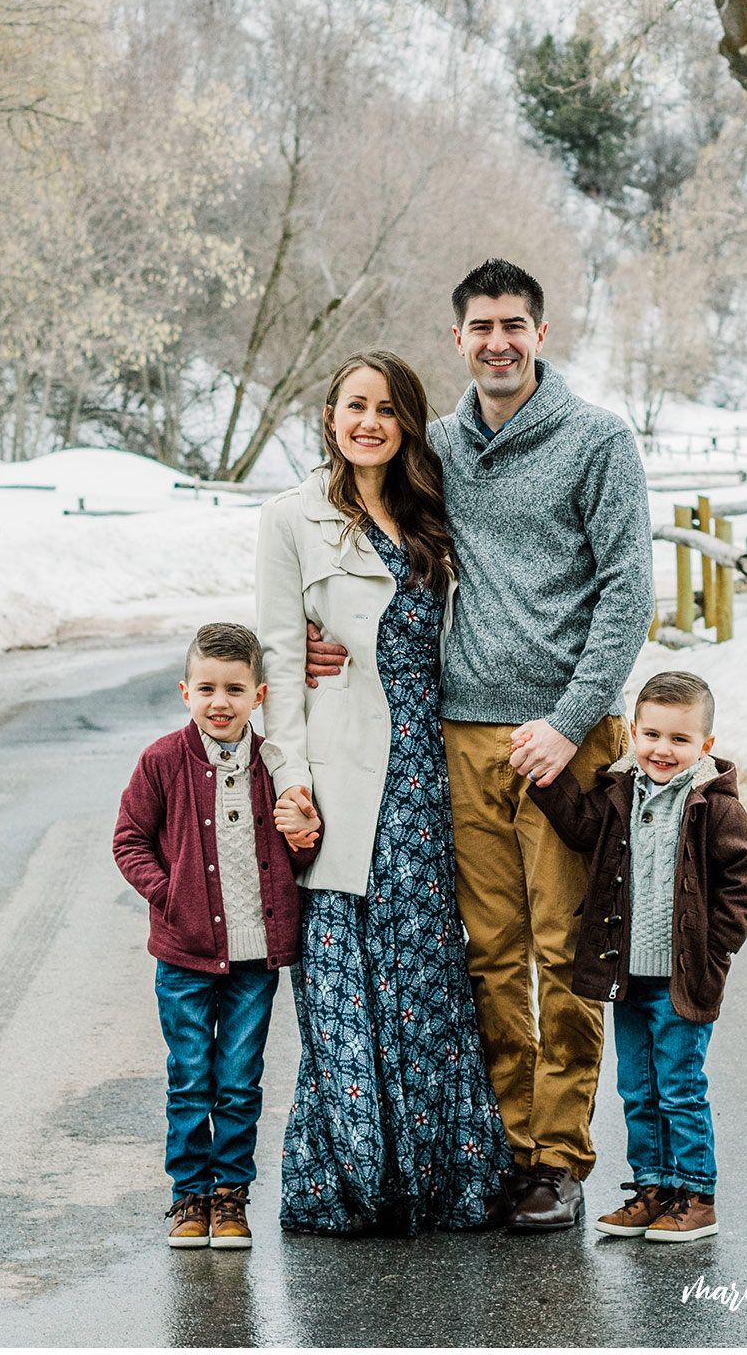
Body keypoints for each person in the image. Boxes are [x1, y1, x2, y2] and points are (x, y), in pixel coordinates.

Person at [306, 260, 655, 1232]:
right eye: (480, 326)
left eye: (514, 323)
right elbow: (356, 498)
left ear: (540, 333)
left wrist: (571, 718)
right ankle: (506, 1143)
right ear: (457, 340)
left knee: (565, 953)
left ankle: (559, 1156)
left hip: (567, 741)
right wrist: (321, 616)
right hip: (462, 736)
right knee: (493, 956)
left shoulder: (597, 442)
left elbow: (629, 594)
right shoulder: (442, 447)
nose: (497, 339)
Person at [255, 349, 513, 1235]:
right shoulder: (290, 518)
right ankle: (354, 1174)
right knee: (341, 975)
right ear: (330, 415)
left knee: (427, 973)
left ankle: (438, 1176)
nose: (368, 421)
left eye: (386, 409)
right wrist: (291, 782)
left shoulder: (430, 515)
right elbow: (281, 665)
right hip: (339, 773)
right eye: (353, 405)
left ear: (407, 422)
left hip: (425, 778)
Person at [527, 670, 747, 1242]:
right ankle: (654, 1187)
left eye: (680, 740)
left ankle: (696, 1195)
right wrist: (545, 779)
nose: (663, 749)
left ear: (705, 746)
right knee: (637, 1087)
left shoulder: (715, 807)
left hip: (682, 982)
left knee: (679, 1088)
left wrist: (717, 945)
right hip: (627, 976)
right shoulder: (621, 793)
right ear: (633, 732)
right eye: (652, 735)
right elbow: (582, 829)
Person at [113, 622, 320, 1250]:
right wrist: (170, 895)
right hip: (184, 957)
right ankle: (188, 1197)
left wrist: (303, 835)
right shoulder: (161, 761)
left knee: (237, 1079)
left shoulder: (277, 764)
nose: (219, 703)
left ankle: (230, 1195)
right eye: (206, 688)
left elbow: (302, 851)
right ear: (185, 692)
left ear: (259, 695)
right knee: (191, 1077)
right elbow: (129, 842)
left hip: (256, 958)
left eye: (234, 689)